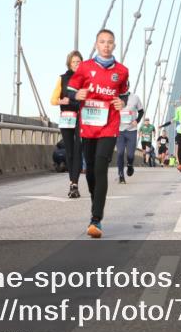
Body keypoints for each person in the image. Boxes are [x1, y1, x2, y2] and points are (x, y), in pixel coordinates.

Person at [68, 29, 129, 238]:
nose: (106, 45)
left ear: (114, 46)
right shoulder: (84, 68)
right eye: (102, 42)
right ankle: (97, 201)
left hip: (109, 124)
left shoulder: (122, 71)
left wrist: (123, 102)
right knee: (91, 171)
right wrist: (77, 94)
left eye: (110, 42)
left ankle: (96, 220)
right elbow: (69, 90)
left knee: (101, 166)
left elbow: (124, 93)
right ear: (96, 44)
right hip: (88, 124)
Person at [50, 50, 83, 198]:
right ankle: (72, 182)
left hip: (82, 117)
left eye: (79, 61)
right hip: (67, 117)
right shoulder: (62, 79)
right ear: (69, 63)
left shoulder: (86, 78)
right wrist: (61, 101)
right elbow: (53, 99)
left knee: (78, 150)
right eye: (74, 62)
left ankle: (75, 184)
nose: (77, 64)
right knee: (69, 151)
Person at [116, 91, 144, 184]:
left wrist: (137, 120)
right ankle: (121, 175)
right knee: (119, 153)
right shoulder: (115, 96)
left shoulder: (135, 97)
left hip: (131, 130)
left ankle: (130, 164)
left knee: (130, 155)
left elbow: (141, 111)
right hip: (119, 130)